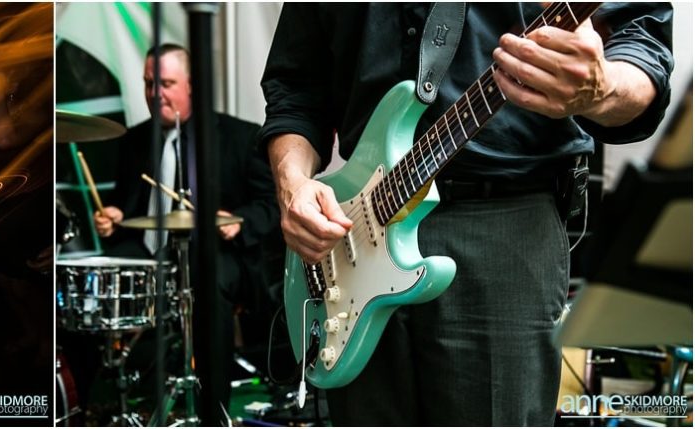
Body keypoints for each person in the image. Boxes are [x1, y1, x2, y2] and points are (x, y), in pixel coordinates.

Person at [262, 4, 671, 425]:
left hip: (501, 230)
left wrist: (603, 89)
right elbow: (295, 86)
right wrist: (293, 185)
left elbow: (642, 48)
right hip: (355, 233)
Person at [87, 43, 280, 422]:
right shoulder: (134, 140)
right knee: (94, 282)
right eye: (148, 83)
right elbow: (127, 205)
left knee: (208, 279)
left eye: (166, 83)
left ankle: (214, 409)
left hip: (219, 255)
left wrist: (238, 220)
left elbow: (271, 207)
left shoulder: (239, 137)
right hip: (148, 252)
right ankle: (101, 400)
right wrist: (114, 216)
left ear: (192, 85)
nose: (154, 93)